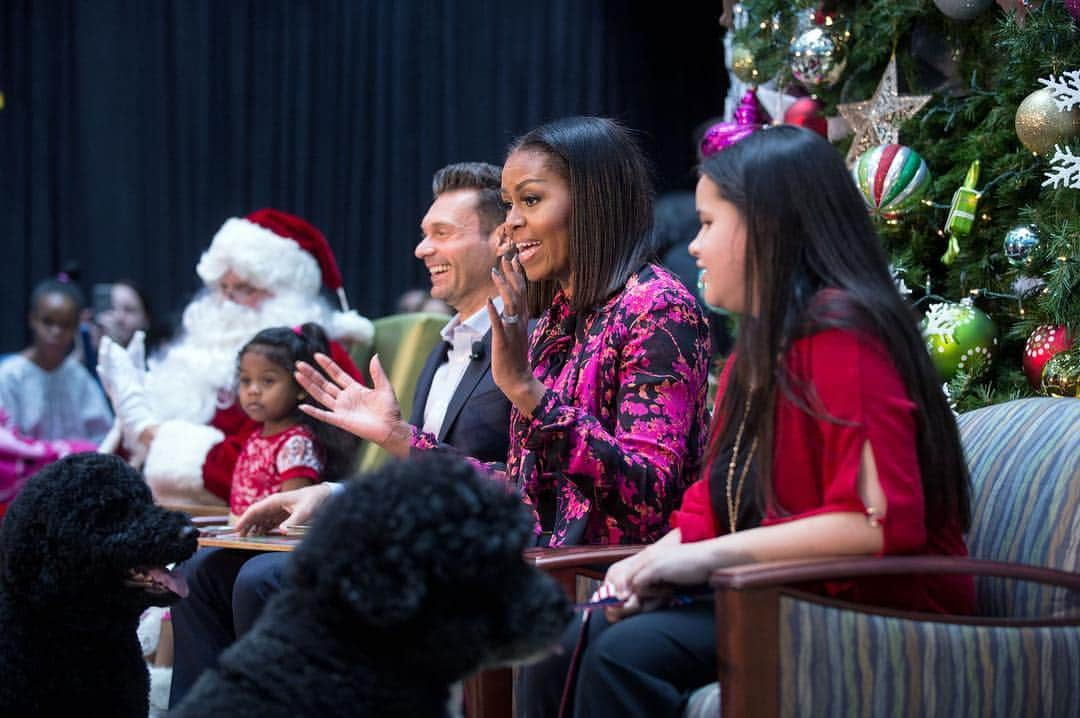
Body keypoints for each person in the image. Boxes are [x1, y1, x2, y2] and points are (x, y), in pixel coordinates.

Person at [519, 125, 976, 717]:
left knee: (622, 654)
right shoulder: (752, 358)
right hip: (785, 594)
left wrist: (697, 559)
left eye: (710, 225)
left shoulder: (844, 335)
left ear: (767, 227)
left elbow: (875, 524)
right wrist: (649, 561)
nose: (696, 248)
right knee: (560, 644)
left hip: (882, 614)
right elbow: (713, 509)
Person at [240, 116, 712, 549]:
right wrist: (398, 436)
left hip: (596, 573)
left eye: (530, 200)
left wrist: (527, 391)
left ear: (593, 200)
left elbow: (648, 493)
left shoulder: (656, 306)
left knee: (273, 582)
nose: (512, 222)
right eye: (509, 205)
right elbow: (520, 489)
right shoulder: (559, 317)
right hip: (526, 557)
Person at [168, 161, 516, 705]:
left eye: (442, 234)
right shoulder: (446, 345)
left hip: (464, 555)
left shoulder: (525, 343)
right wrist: (330, 494)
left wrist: (394, 437)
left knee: (263, 579)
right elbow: (414, 475)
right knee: (202, 570)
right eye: (424, 235)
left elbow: (510, 481)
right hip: (409, 532)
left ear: (500, 241)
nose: (422, 250)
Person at [96, 209, 372, 507]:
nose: (226, 302)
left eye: (243, 289)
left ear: (285, 295)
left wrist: (151, 434)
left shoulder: (309, 352)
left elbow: (258, 468)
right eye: (222, 288)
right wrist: (134, 413)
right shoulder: (201, 350)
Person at [228, 323, 358, 520]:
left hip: (265, 544)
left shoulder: (296, 444)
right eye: (246, 380)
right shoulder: (256, 436)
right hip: (239, 536)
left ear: (301, 388)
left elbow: (292, 512)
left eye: (268, 381)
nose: (252, 390)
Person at [0, 277, 112, 446]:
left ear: (76, 327)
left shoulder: (79, 377)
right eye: (48, 322)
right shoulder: (10, 376)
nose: (56, 331)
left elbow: (103, 437)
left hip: (76, 470)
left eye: (65, 325)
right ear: (32, 319)